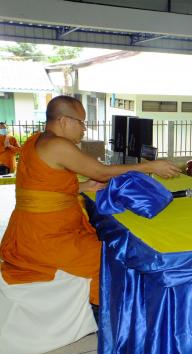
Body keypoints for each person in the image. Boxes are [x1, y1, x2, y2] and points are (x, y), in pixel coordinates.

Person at [0, 96, 181, 311]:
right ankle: (104, 315)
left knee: (105, 240)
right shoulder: (56, 145)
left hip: (30, 228)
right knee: (109, 260)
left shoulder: (37, 140)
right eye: (81, 122)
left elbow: (39, 190)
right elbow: (101, 172)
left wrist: (85, 186)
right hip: (45, 238)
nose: (84, 129)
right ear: (64, 121)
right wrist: (150, 166)